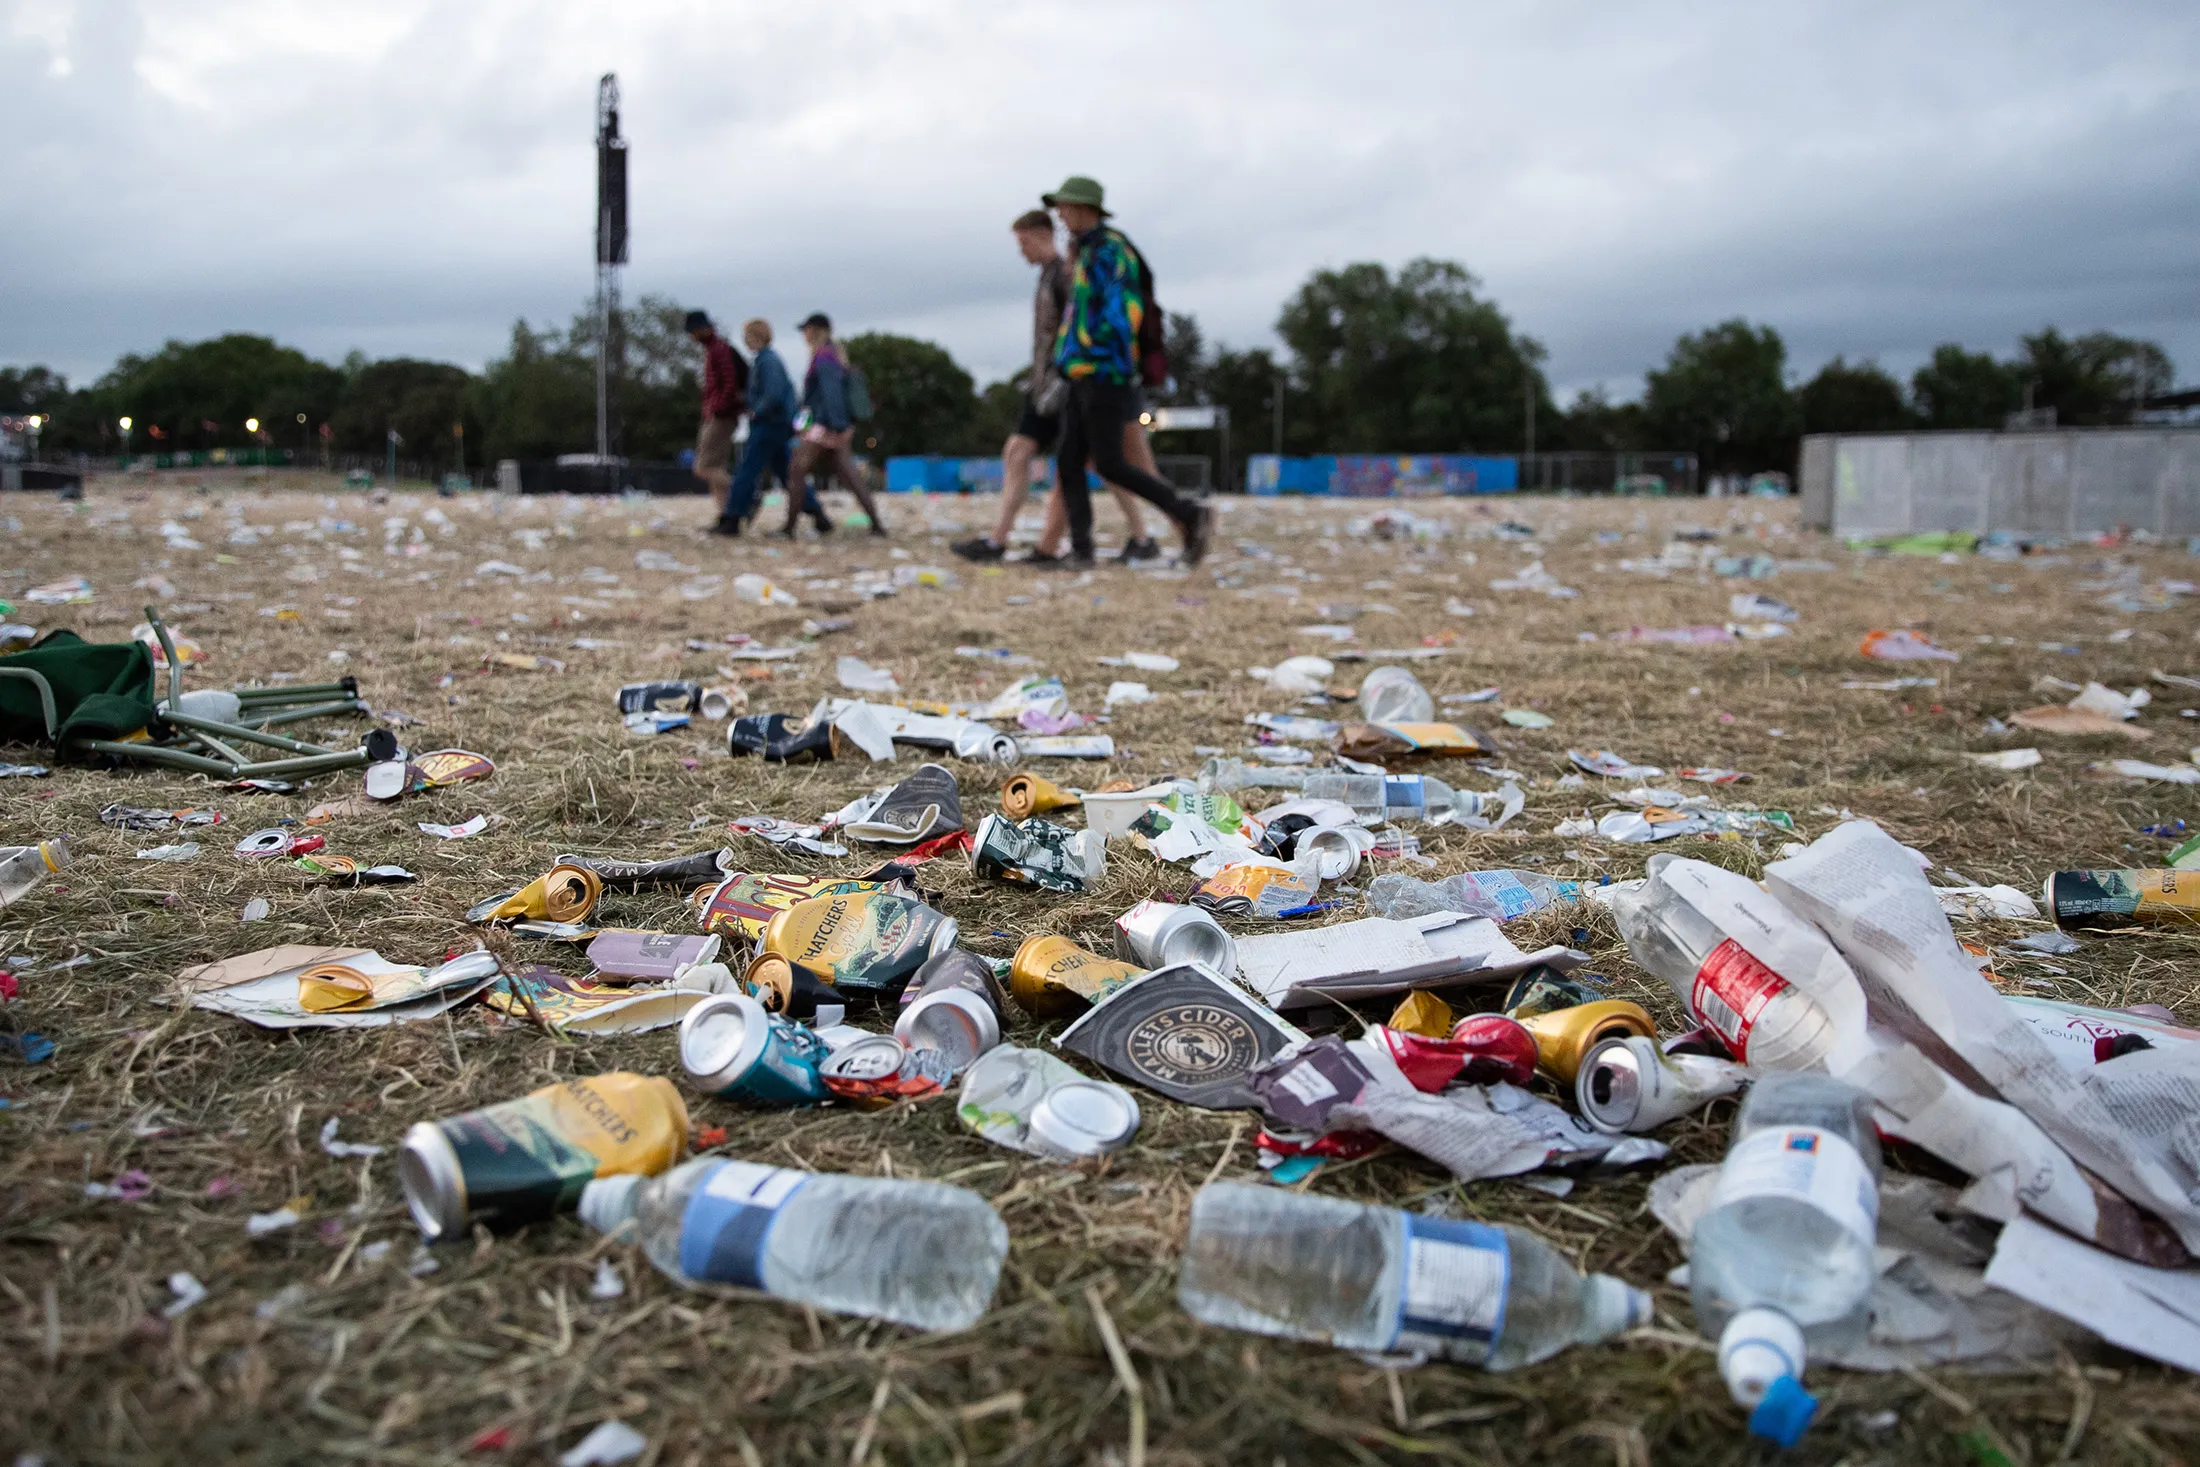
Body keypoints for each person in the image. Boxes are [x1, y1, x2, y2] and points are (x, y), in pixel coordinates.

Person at [952, 211, 1157, 566]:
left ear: (1042, 235)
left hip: (1067, 387)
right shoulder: (1049, 276)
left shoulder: (1065, 276)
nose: (1021, 252)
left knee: (1088, 464)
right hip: (1044, 385)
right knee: (1020, 452)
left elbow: (1077, 334)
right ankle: (999, 540)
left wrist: (1073, 382)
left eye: (1023, 242)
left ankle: (1130, 537)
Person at [1042, 176, 1211, 568]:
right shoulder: (1086, 250)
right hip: (1081, 373)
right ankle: (1082, 549)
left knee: (1111, 463)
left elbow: (1121, 314)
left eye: (1064, 207)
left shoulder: (1110, 251)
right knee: (1069, 461)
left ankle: (1188, 512)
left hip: (1104, 373)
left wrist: (1091, 353)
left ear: (1084, 208)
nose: (1060, 215)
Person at [782, 313, 886, 538]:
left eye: (806, 329)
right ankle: (877, 525)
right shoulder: (834, 355)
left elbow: (828, 395)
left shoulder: (823, 357)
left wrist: (835, 425)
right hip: (832, 425)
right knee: (850, 475)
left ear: (816, 330)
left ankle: (788, 528)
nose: (804, 334)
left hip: (824, 427)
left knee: (797, 472)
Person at [712, 319, 809, 536]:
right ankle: (816, 512)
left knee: (747, 470)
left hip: (769, 423)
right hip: (777, 423)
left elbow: (772, 394)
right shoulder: (767, 360)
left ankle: (733, 517)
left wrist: (755, 410)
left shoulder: (767, 361)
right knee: (786, 472)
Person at [684, 310, 747, 519]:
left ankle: (746, 494)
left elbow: (729, 383)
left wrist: (717, 408)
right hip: (720, 413)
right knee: (716, 467)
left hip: (721, 415)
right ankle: (725, 515)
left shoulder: (719, 350)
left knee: (704, 467)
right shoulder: (715, 349)